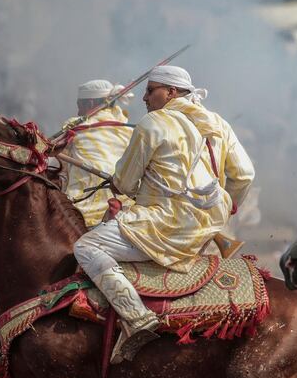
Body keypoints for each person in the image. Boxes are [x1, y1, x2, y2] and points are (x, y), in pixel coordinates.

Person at [73, 65, 253, 362]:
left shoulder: (153, 122)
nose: (144, 97)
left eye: (150, 89)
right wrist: (226, 208)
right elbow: (245, 175)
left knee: (86, 245)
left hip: (167, 224)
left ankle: (137, 317)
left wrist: (121, 185)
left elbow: (126, 183)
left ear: (170, 92)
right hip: (208, 226)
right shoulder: (218, 123)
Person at [63, 80, 133, 227]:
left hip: (85, 201)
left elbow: (50, 149)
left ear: (89, 104)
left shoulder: (75, 125)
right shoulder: (127, 126)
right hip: (125, 196)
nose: (78, 113)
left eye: (79, 107)